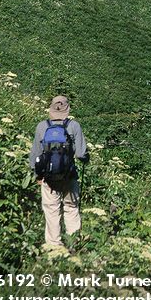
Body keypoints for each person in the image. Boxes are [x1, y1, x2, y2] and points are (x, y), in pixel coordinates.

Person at [29, 95, 89, 248]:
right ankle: (74, 243)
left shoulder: (42, 126)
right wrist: (85, 158)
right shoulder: (74, 126)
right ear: (67, 109)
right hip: (69, 175)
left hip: (48, 177)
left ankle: (54, 247)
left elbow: (35, 154)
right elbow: (81, 154)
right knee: (71, 208)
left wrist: (38, 176)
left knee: (51, 210)